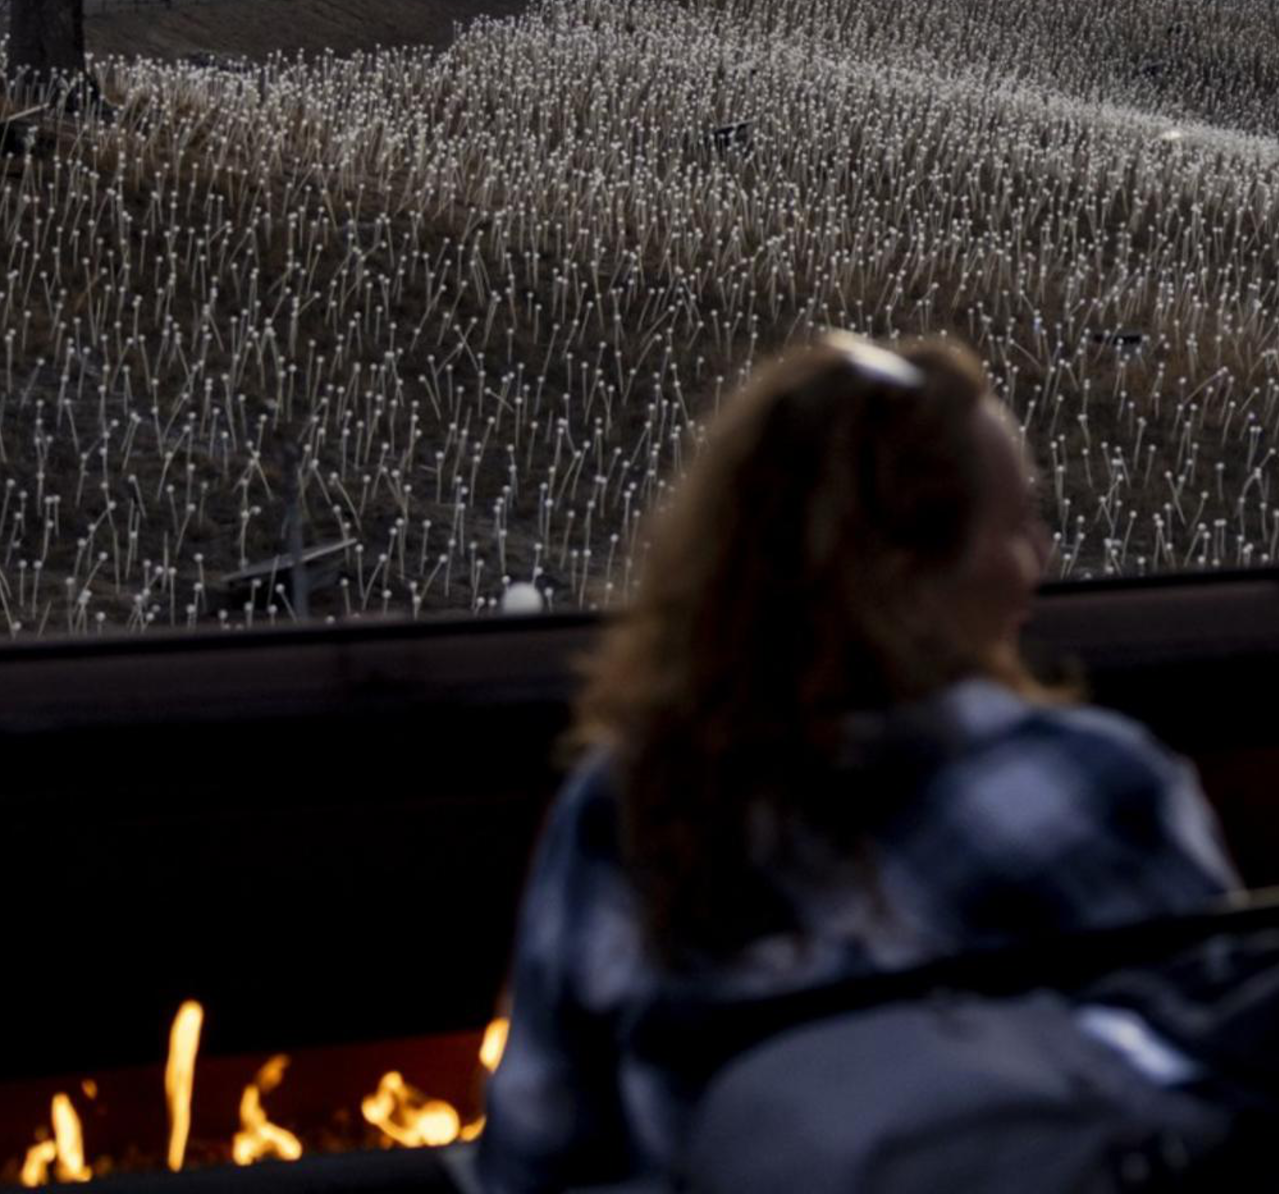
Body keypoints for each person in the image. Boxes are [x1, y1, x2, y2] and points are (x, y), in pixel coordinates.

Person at [481, 333, 1236, 1192]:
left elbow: (535, 1152)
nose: (1042, 558)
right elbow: (1240, 1098)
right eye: (1015, 523)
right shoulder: (1092, 790)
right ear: (909, 569)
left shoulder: (624, 807)